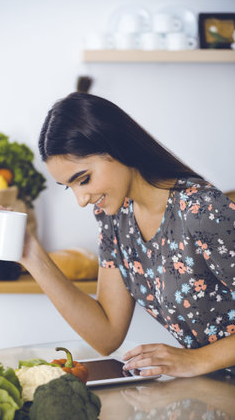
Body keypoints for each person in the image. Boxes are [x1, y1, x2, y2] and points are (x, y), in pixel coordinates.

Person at [19, 91, 235, 378]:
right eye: (69, 187)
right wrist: (33, 257)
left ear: (118, 148)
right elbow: (106, 335)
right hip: (214, 388)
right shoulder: (115, 218)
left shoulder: (201, 210)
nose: (81, 199)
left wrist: (197, 360)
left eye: (83, 180)